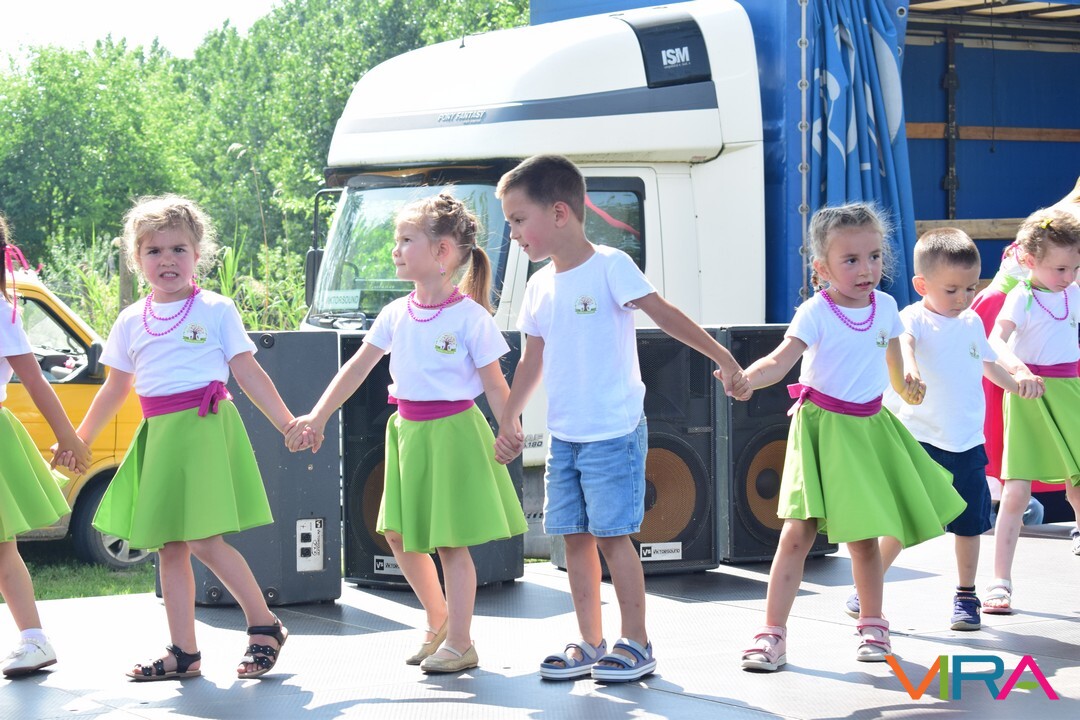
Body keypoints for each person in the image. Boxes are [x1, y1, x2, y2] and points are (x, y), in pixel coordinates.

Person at [492, 155, 750, 683]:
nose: (512, 232)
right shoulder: (539, 287)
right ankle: (590, 643)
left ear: (559, 212)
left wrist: (724, 358)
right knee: (574, 539)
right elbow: (532, 360)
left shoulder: (611, 265)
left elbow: (665, 315)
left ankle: (637, 641)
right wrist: (509, 418)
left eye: (518, 220)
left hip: (613, 432)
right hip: (565, 436)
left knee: (613, 538)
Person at [286, 193, 527, 674]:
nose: (395, 250)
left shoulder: (471, 318)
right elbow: (357, 369)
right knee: (398, 535)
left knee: (451, 543)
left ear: (442, 252)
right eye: (396, 240)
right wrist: (318, 415)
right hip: (408, 433)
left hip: (453, 435)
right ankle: (440, 623)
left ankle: (461, 642)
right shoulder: (396, 312)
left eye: (405, 240)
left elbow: (496, 386)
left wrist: (510, 428)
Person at [74, 195, 304, 681]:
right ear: (137, 259)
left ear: (198, 254)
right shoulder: (130, 319)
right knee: (169, 546)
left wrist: (287, 422)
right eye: (154, 251)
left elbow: (248, 371)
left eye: (178, 249)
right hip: (159, 436)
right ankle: (184, 652)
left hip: (204, 431)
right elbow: (115, 388)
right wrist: (80, 439)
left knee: (204, 541)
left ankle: (264, 626)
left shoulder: (215, 309)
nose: (167, 260)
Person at [736, 202, 966, 672]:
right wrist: (747, 379)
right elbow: (780, 361)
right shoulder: (815, 312)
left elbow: (896, 368)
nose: (867, 269)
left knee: (863, 537)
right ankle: (772, 634)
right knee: (797, 533)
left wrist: (909, 385)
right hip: (820, 429)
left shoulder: (887, 308)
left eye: (874, 256)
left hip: (867, 428)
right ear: (822, 268)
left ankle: (873, 625)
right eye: (851, 260)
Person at [846, 229, 1038, 632]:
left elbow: (989, 365)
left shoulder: (971, 322)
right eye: (951, 290)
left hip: (967, 443)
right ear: (922, 285)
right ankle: (868, 588)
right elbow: (905, 345)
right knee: (901, 521)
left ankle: (966, 595)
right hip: (920, 442)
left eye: (970, 288)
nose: (963, 298)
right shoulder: (911, 317)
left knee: (970, 524)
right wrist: (911, 370)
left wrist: (1016, 384)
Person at [0, 215, 91, 677]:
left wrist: (68, 435)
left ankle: (34, 639)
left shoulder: (1, 312)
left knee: (2, 547)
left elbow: (35, 379)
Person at [984, 207, 1080, 614]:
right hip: (1029, 396)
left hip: (1070, 393)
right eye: (1060, 268)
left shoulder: (1073, 291)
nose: (1069, 276)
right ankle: (999, 581)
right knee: (1016, 492)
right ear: (1028, 260)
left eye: (1075, 267)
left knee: (1077, 484)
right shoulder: (1021, 295)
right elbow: (994, 342)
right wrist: (1019, 370)